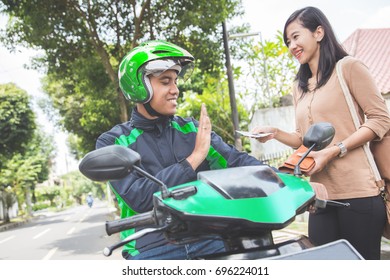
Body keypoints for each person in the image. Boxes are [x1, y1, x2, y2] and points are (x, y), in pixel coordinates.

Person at [96, 40, 268, 260]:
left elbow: (236, 161)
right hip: (151, 247)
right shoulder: (114, 142)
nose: (175, 90)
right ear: (139, 87)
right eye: (165, 81)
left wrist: (285, 179)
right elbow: (139, 198)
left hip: (208, 237)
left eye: (175, 81)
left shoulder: (192, 129)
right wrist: (194, 159)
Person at [251, 6, 390, 260]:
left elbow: (381, 119)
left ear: (318, 32)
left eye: (295, 36)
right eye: (287, 41)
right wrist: (275, 133)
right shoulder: (299, 86)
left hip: (359, 192)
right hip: (319, 196)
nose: (291, 45)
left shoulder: (348, 68)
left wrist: (335, 150)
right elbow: (305, 140)